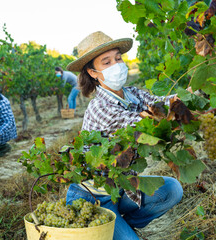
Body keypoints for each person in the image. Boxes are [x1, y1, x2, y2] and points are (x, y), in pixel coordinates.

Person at [65, 31, 183, 240]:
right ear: (93, 72)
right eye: (106, 62)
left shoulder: (132, 93)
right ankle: (113, 231)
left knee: (172, 190)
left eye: (118, 58)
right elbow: (138, 124)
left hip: (121, 187)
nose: (116, 65)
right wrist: (169, 114)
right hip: (93, 197)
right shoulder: (99, 107)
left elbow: (159, 102)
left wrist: (185, 97)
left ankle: (121, 228)